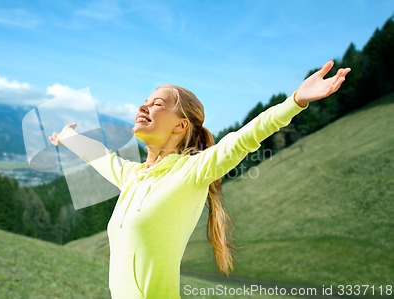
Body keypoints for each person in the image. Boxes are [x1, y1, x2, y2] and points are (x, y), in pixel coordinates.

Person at [49, 60, 351, 299]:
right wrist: (67, 136)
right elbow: (98, 154)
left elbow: (244, 139)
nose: (143, 107)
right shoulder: (132, 176)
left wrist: (296, 100)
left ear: (181, 125)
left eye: (157, 103)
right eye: (145, 101)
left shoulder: (192, 172)